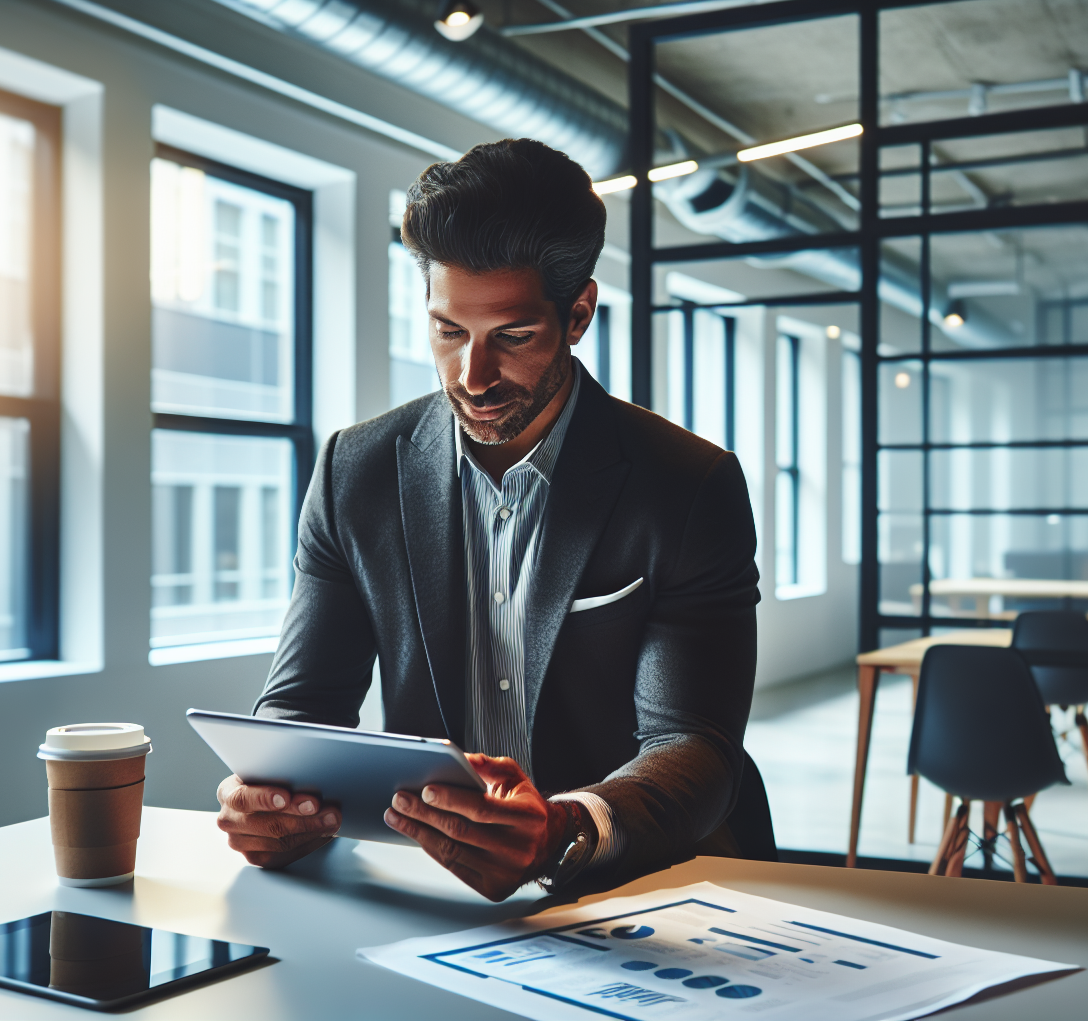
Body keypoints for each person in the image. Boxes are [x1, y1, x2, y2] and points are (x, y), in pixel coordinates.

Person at [213, 138, 770, 902]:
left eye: (511, 337)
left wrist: (566, 829)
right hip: (436, 889)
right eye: (448, 332)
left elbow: (694, 745)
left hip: (641, 879)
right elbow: (302, 706)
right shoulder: (356, 471)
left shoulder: (688, 485)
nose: (471, 377)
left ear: (577, 314)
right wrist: (273, 801)